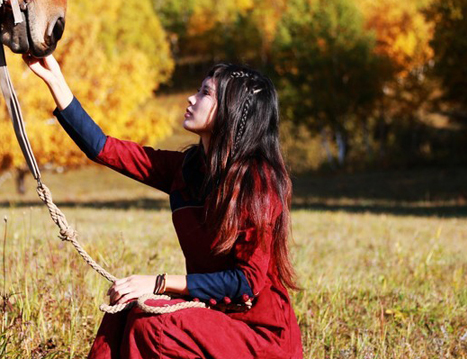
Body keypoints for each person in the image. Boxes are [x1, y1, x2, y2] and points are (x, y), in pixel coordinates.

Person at [26, 55, 303, 359]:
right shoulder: (185, 169)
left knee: (153, 325)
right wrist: (55, 81)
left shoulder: (258, 182)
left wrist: (159, 284)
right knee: (125, 307)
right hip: (209, 316)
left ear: (232, 111)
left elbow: (246, 282)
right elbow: (104, 148)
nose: (191, 98)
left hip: (260, 335)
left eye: (205, 93)